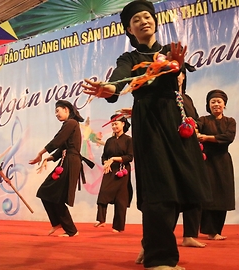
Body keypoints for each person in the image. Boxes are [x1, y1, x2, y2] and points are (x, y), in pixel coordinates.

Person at [82, 1, 211, 269]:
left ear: (154, 21)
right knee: (159, 189)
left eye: (147, 16)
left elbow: (179, 85)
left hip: (177, 125)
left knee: (186, 186)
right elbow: (118, 80)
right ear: (129, 29)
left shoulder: (170, 52)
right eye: (136, 20)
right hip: (150, 126)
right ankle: (160, 259)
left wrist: (177, 64)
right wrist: (109, 88)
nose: (143, 21)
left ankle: (151, 241)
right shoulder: (129, 59)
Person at [29, 100, 92, 237]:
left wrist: (41, 153)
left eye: (58, 111)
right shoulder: (70, 125)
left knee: (54, 195)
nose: (56, 114)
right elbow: (61, 148)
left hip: (70, 162)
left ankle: (71, 230)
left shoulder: (71, 123)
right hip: (66, 161)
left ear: (66, 109)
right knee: (46, 192)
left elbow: (57, 140)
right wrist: (48, 158)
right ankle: (58, 223)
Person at [197, 90, 236, 240]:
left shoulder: (230, 121)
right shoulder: (203, 120)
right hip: (206, 161)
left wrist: (206, 137)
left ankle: (217, 231)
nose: (216, 104)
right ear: (208, 105)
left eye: (219, 101)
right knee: (208, 194)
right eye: (213, 102)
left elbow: (228, 137)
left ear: (224, 104)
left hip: (223, 161)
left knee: (222, 195)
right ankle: (209, 230)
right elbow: (195, 127)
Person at [177, 73, 206, 248]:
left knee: (195, 190)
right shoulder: (166, 97)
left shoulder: (186, 98)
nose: (178, 76)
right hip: (174, 149)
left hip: (191, 149)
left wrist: (195, 127)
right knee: (171, 197)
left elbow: (195, 119)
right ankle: (153, 241)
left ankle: (189, 235)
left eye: (180, 73)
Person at [94, 114, 133, 233]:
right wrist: (106, 162)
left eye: (116, 123)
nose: (114, 126)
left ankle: (118, 226)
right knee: (103, 193)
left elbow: (129, 157)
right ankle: (101, 219)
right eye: (113, 124)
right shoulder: (109, 141)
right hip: (110, 170)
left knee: (121, 199)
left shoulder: (128, 140)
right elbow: (104, 156)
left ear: (123, 124)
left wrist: (114, 159)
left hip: (122, 171)